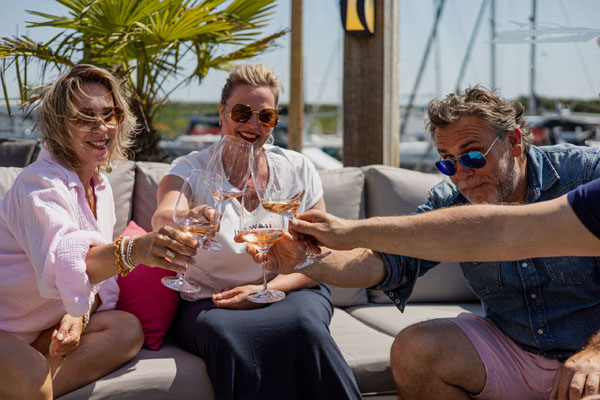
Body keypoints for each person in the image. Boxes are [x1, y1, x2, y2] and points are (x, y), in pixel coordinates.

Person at [250, 86, 600, 400]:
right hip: (511, 347)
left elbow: (497, 229)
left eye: (473, 155)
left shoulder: (585, 176)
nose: (461, 174)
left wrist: (596, 352)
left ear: (515, 142)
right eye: (447, 162)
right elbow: (382, 262)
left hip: (592, 349)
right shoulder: (450, 201)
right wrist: (307, 260)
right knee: (415, 349)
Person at [152, 64, 361, 399]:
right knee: (225, 337)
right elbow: (163, 217)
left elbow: (319, 254)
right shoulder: (190, 168)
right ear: (222, 113)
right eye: (242, 112)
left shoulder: (297, 168)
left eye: (265, 117)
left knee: (306, 328)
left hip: (290, 291)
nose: (252, 125)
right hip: (212, 302)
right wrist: (187, 217)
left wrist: (263, 289)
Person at [0, 64, 198, 400]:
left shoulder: (101, 187)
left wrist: (77, 317)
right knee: (33, 376)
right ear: (60, 125)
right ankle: (31, 386)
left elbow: (95, 282)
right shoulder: (39, 184)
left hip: (41, 329)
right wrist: (136, 250)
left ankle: (27, 388)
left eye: (110, 114)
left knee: (126, 328)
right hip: (5, 326)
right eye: (85, 117)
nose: (101, 126)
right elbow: (64, 259)